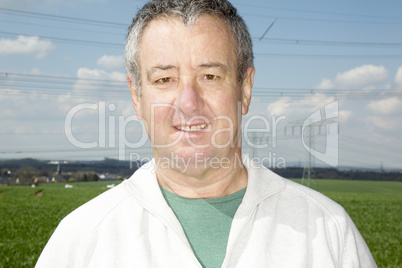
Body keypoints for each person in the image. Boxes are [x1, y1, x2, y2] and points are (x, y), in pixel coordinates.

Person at [36, 0, 377, 267]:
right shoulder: (80, 240)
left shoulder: (329, 232)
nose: (188, 102)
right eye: (164, 79)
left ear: (245, 88)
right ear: (137, 96)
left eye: (210, 76)